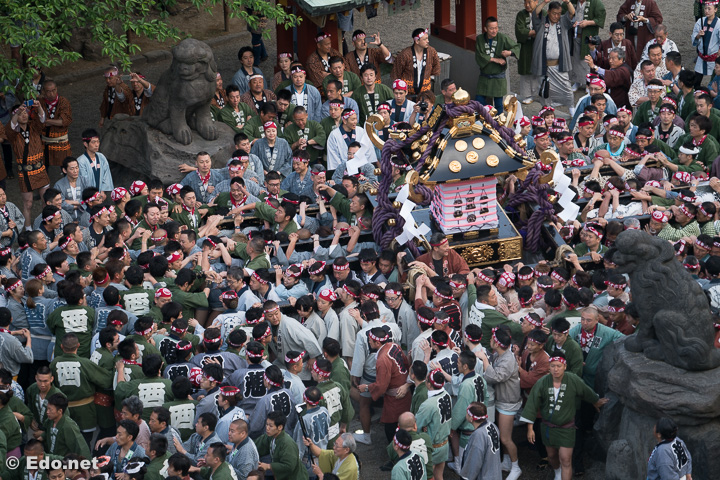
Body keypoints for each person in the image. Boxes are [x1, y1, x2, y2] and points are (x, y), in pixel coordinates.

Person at [521, 353, 608, 480]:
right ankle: (557, 472)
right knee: (552, 456)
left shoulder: (572, 379)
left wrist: (596, 400)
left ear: (565, 366)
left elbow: (586, 391)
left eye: (559, 366)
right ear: (549, 367)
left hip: (567, 428)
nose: (555, 369)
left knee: (566, 459)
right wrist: (530, 428)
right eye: (552, 366)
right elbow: (532, 404)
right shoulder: (542, 382)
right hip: (548, 427)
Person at [5, 103, 49, 227]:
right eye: (20, 114)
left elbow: (42, 119)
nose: (24, 115)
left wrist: (39, 106)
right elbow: (11, 127)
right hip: (25, 172)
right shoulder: (13, 133)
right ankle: (28, 229)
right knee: (28, 203)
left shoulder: (34, 126)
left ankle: (46, 226)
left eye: (25, 113)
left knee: (46, 201)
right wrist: (17, 113)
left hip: (40, 169)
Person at [531, 0, 577, 111]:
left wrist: (568, 2)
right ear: (548, 12)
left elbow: (572, 13)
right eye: (554, 13)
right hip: (543, 65)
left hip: (559, 65)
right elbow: (535, 13)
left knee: (567, 89)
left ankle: (572, 110)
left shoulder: (563, 22)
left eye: (559, 13)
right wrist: (544, 2)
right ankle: (546, 111)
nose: (556, 16)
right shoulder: (542, 22)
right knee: (544, 90)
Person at [474, 16, 520, 112]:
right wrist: (495, 59)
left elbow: (517, 47)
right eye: (491, 28)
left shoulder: (502, 38)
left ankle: (498, 120)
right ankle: (486, 116)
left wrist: (509, 52)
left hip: (498, 77)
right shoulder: (480, 39)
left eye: (496, 28)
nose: (494, 31)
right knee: (479, 101)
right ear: (485, 28)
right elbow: (479, 55)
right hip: (484, 77)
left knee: (499, 104)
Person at [254, 411, 308, 480]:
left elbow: (289, 466)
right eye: (266, 424)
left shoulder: (287, 443)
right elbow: (258, 445)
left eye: (270, 426)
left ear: (280, 427)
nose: (267, 428)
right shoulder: (270, 436)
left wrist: (268, 466)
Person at [568, 0, 606, 90]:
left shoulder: (595, 2)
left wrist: (588, 22)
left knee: (587, 60)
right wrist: (571, 21)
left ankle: (588, 83)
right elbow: (565, 13)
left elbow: (600, 18)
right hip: (575, 35)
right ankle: (577, 81)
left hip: (588, 36)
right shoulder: (573, 1)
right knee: (576, 59)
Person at [392, 28, 441, 98]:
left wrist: (427, 77)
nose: (428, 41)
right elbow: (396, 73)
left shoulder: (431, 51)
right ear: (417, 41)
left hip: (425, 91)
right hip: (407, 92)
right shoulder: (405, 54)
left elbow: (436, 67)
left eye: (427, 38)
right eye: (425, 39)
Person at [459, 402, 502, 480]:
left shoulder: (478, 435)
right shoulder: (492, 425)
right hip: (495, 473)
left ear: (471, 418)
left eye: (467, 413)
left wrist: (466, 478)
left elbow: (474, 461)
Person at [39, 393, 90, 458]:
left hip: (64, 461)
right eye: (47, 409)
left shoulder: (68, 426)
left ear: (60, 411)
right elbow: (47, 431)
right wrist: (41, 437)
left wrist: (85, 462)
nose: (47, 412)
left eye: (50, 409)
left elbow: (80, 447)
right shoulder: (50, 421)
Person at [39, 80, 73, 169]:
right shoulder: (40, 103)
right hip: (45, 141)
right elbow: (37, 123)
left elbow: (64, 121)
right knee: (44, 167)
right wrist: (54, 122)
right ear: (43, 91)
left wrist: (47, 121)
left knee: (66, 166)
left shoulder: (63, 102)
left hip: (61, 141)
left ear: (57, 89)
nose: (51, 94)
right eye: (48, 91)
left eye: (53, 90)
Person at [516, 0, 540, 105]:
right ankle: (527, 95)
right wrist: (533, 32)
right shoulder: (521, 14)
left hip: (538, 46)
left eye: (529, 2)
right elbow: (519, 31)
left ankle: (539, 93)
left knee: (539, 70)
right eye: (525, 2)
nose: (527, 5)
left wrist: (536, 33)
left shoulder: (542, 13)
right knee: (525, 70)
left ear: (536, 1)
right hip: (525, 46)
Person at [76, 128, 114, 193]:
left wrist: (103, 191)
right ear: (85, 144)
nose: (97, 145)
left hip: (100, 194)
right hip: (87, 194)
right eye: (93, 142)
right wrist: (93, 194)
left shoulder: (101, 157)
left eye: (98, 141)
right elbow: (83, 181)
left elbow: (106, 175)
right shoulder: (80, 161)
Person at [692, 2, 720, 87]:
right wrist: (698, 35)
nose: (706, 11)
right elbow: (694, 37)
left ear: (715, 9)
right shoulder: (700, 21)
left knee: (714, 83)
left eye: (709, 9)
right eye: (705, 8)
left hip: (714, 58)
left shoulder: (719, 23)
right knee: (696, 82)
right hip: (701, 58)